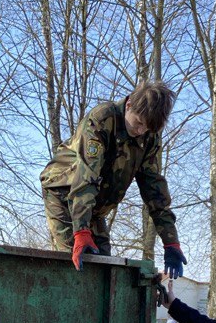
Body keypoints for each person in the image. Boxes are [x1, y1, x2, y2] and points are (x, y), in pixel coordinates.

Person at [40, 80, 187, 277]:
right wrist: (81, 231)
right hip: (64, 192)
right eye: (139, 123)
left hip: (95, 204)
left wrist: (171, 242)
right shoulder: (102, 119)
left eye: (147, 128)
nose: (141, 131)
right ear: (129, 105)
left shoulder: (149, 138)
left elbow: (154, 189)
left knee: (104, 265)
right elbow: (87, 176)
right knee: (75, 262)